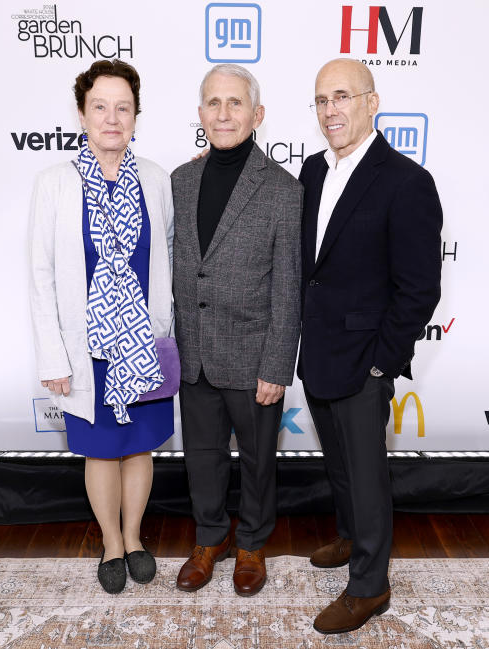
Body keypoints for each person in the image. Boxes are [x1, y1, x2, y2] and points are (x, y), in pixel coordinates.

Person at [298, 58, 442, 633]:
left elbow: (419, 289)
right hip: (318, 350)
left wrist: (383, 360)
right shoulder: (311, 171)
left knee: (366, 469)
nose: (331, 110)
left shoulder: (406, 182)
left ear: (371, 102)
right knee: (339, 465)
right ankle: (352, 536)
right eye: (321, 100)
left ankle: (369, 585)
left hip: (366, 359)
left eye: (342, 97)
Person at [28, 59, 175, 594]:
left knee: (140, 447)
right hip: (85, 346)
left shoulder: (157, 180)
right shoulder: (54, 183)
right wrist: (53, 356)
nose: (112, 119)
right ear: (82, 113)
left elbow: (171, 256)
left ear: (136, 115)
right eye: (100, 107)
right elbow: (41, 274)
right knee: (101, 451)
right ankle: (111, 543)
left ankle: (135, 538)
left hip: (143, 343)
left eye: (123, 108)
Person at [171, 64, 302, 596]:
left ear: (257, 114)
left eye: (235, 103)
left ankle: (251, 541)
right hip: (194, 352)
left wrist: (276, 365)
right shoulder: (181, 180)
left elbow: (289, 286)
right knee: (201, 456)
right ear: (200, 113)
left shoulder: (284, 190)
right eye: (213, 103)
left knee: (257, 460)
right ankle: (210, 537)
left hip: (252, 358)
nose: (223, 114)